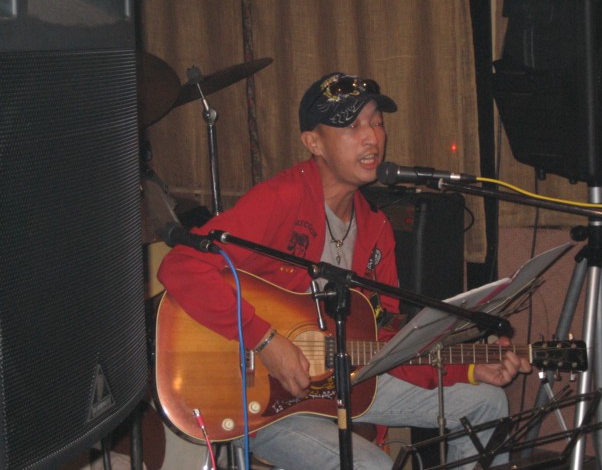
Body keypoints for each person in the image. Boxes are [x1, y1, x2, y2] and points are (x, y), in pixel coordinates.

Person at [157, 72, 531, 469]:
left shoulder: (376, 228)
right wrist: (266, 341)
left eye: (377, 123)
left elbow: (385, 342)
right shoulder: (281, 200)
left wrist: (468, 367)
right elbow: (181, 266)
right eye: (352, 126)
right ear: (313, 142)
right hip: (261, 402)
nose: (372, 138)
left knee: (487, 402)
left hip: (345, 385)